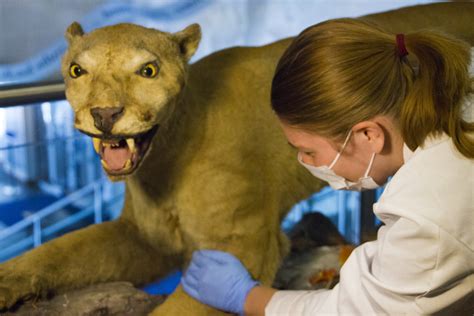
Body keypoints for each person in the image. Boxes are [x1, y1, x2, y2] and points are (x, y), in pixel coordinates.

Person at [181, 18, 474, 315]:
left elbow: (359, 312)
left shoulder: (429, 214)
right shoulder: (454, 81)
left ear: (368, 135)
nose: (305, 162)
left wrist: (246, 297)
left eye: (308, 150)